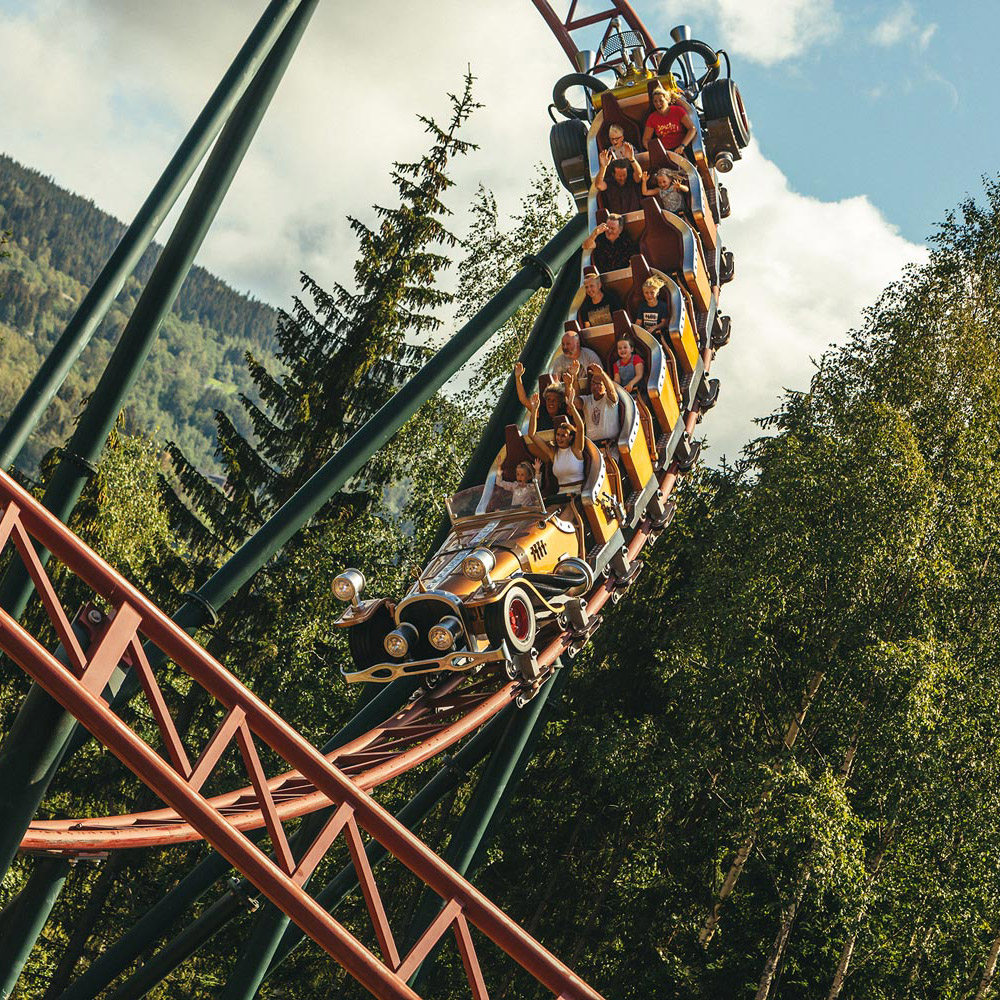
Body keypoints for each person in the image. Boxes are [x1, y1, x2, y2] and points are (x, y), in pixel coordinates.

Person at [526, 377, 586, 496]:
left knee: (565, 515)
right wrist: (533, 411)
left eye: (563, 436)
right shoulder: (553, 454)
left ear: (570, 437)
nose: (559, 438)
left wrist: (572, 407)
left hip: (578, 494)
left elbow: (580, 428)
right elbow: (532, 434)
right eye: (558, 435)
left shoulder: (576, 449)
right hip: (561, 495)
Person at [642, 85, 696, 156]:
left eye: (661, 100)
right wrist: (656, 151)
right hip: (665, 153)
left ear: (667, 100)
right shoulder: (652, 118)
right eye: (655, 101)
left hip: (682, 148)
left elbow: (692, 129)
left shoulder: (677, 111)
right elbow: (645, 140)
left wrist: (682, 146)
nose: (658, 104)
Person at [514, 360, 566, 429]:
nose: (551, 403)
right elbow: (523, 399)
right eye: (549, 400)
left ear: (559, 403)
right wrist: (518, 378)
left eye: (554, 400)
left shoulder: (564, 411)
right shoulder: (540, 412)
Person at [579, 362, 621, 446]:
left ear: (605, 386)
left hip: (610, 446)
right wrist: (570, 384)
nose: (595, 387)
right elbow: (574, 402)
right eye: (593, 383)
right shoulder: (587, 399)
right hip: (593, 448)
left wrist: (602, 374)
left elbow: (611, 391)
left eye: (598, 384)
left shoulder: (610, 399)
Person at [596, 145, 642, 215]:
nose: (622, 178)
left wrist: (632, 159)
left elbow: (639, 175)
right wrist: (603, 167)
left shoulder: (630, 179)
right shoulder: (609, 182)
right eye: (619, 176)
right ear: (613, 174)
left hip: (635, 215)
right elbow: (599, 185)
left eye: (624, 175)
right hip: (617, 219)